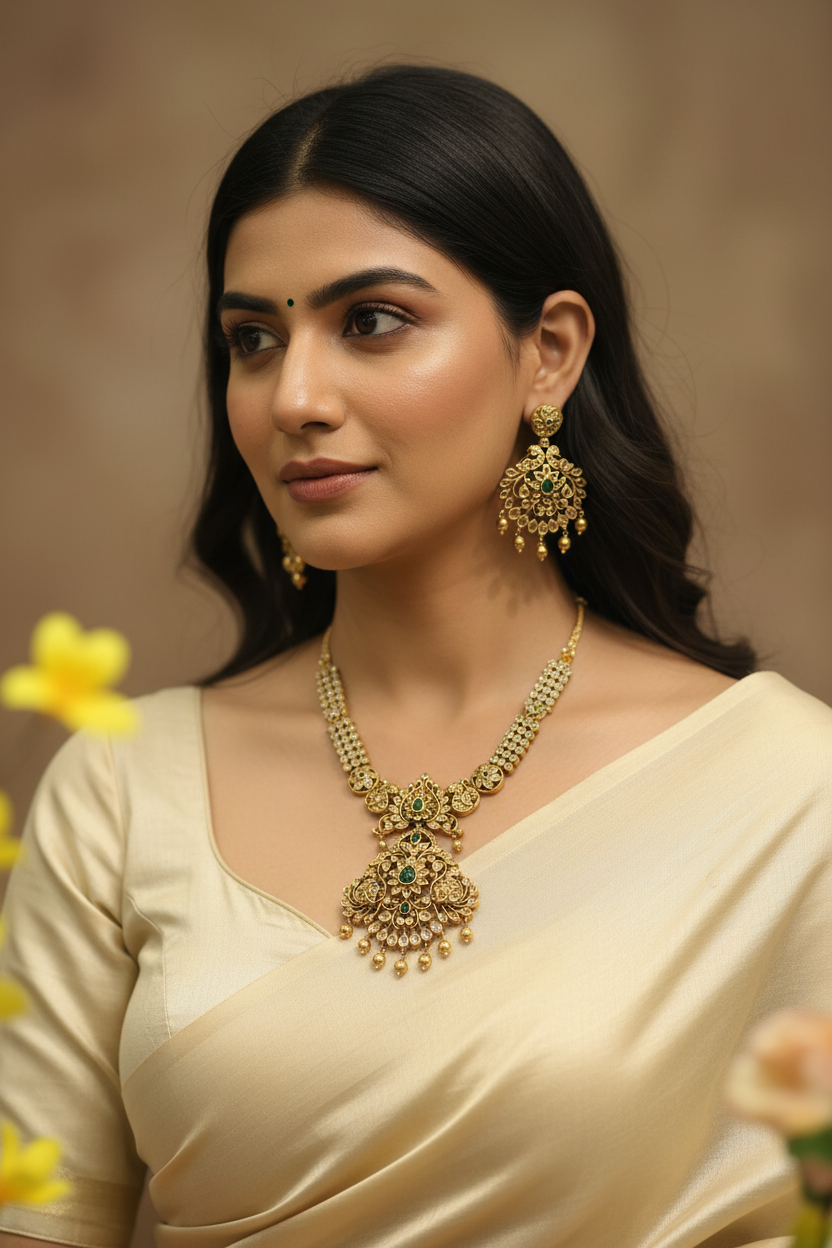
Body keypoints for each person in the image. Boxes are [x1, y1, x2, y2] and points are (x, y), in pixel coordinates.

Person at [0, 63, 829, 1248]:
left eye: (371, 323)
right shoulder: (126, 787)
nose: (293, 395)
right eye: (249, 339)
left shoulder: (785, 791)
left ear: (547, 352)